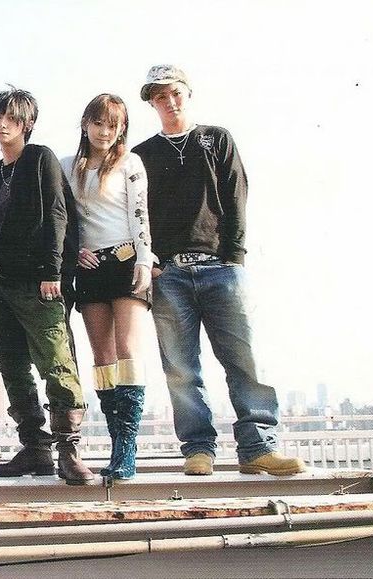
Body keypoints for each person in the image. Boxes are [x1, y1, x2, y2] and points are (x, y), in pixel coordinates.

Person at [133, 65, 306, 476]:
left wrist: (234, 258)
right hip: (169, 275)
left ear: (188, 93)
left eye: (175, 92)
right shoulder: (142, 154)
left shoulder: (216, 139)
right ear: (152, 103)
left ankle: (258, 446)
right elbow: (135, 214)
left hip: (221, 268)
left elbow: (237, 194)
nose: (169, 101)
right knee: (181, 367)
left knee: (245, 360)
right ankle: (198, 449)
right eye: (160, 96)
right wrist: (150, 261)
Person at [0, 87, 94, 484]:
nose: (2, 125)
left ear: (27, 124)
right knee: (11, 367)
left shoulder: (40, 158)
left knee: (57, 362)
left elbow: (57, 214)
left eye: (11, 118)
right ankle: (35, 447)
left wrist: (53, 272)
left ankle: (68, 450)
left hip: (39, 283)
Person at [60, 94, 151, 480]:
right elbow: (64, 218)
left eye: (113, 125)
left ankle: (127, 448)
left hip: (127, 261)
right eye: (98, 123)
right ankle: (115, 443)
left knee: (128, 349)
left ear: (122, 129)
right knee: (102, 356)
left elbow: (140, 214)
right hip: (90, 267)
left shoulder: (130, 163)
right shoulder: (67, 166)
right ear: (85, 124)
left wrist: (145, 260)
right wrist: (75, 251)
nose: (104, 132)